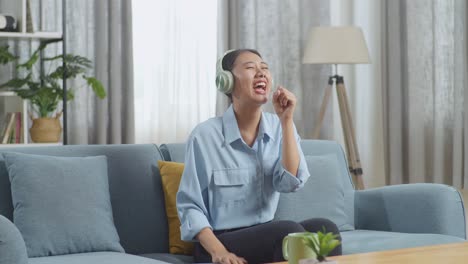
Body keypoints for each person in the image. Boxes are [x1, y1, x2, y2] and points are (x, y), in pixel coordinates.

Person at [176, 49, 342, 264]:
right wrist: (219, 252)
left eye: (264, 68)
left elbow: (289, 182)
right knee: (287, 232)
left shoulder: (279, 126)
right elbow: (191, 207)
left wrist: (286, 121)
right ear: (226, 81)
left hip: (265, 235)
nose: (261, 73)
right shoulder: (205, 135)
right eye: (250, 68)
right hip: (218, 243)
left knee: (325, 230)